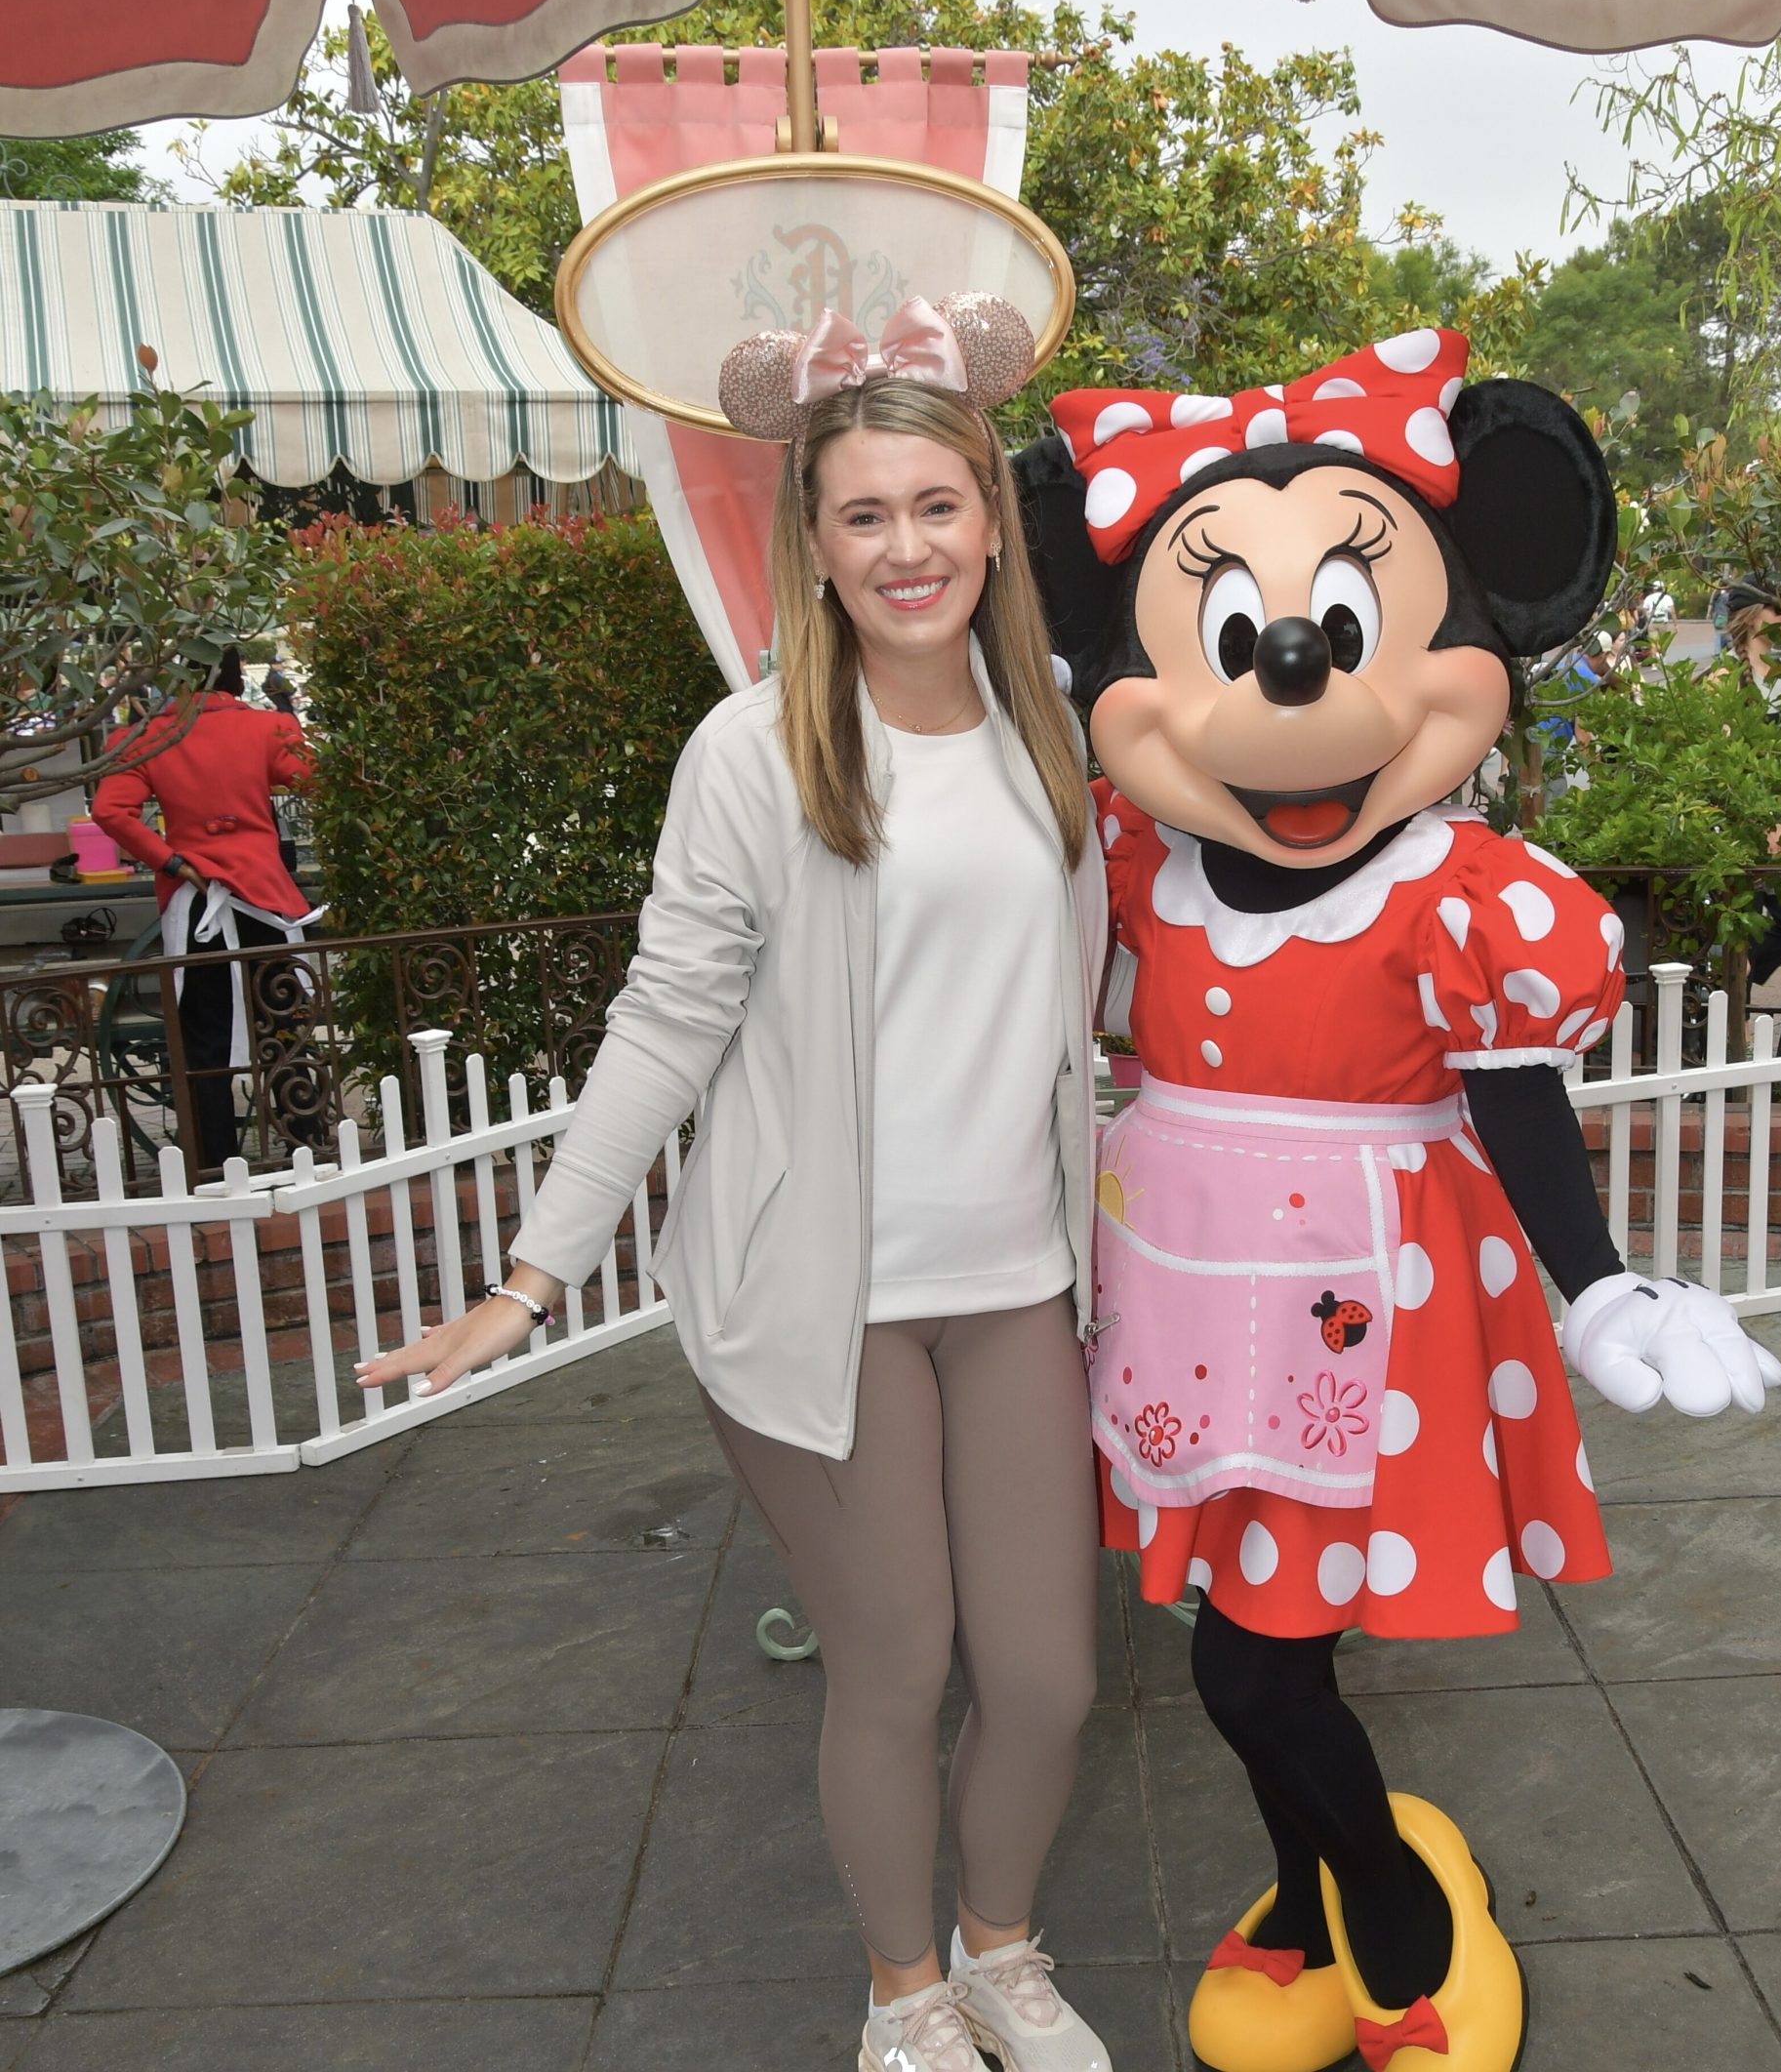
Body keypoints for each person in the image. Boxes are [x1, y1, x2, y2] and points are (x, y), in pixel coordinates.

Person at [354, 296, 1113, 2072]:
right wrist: (530, 1278)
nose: (906, 546)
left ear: (990, 522)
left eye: (936, 505)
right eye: (865, 514)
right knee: (898, 1663)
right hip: (814, 1295)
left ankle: (1000, 1949)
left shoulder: (1051, 728)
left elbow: (1090, 981)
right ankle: (902, 1996)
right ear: (816, 545)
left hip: (1014, 1282)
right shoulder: (757, 751)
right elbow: (664, 1021)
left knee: (1050, 1677)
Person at [1017, 330, 1781, 2072]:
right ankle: (1308, 1902)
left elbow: (1513, 1093)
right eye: (1227, 639)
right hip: (1187, 1309)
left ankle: (1400, 1913)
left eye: (1340, 629)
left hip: (1369, 1318)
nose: (1288, 678)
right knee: (1247, 1639)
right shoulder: (1136, 865)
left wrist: (1599, 1284)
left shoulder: (1461, 892)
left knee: (1249, 1667)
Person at [93, 644, 319, 1174]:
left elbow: (108, 810)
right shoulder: (267, 727)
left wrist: (170, 860)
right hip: (264, 896)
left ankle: (216, 1166)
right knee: (282, 1025)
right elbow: (314, 781)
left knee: (204, 1038)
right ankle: (307, 1146)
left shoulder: (147, 736)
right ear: (236, 676)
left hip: (196, 900)